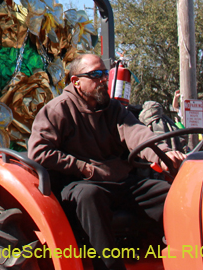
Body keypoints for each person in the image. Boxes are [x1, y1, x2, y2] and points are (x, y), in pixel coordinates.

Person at [28, 54, 186, 270]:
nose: (103, 79)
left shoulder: (113, 109)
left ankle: (180, 256)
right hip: (79, 183)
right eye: (95, 75)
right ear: (76, 82)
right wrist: (84, 167)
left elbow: (137, 134)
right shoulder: (58, 110)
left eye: (105, 73)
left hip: (119, 182)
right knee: (90, 196)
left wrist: (163, 155)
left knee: (172, 195)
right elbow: (39, 152)